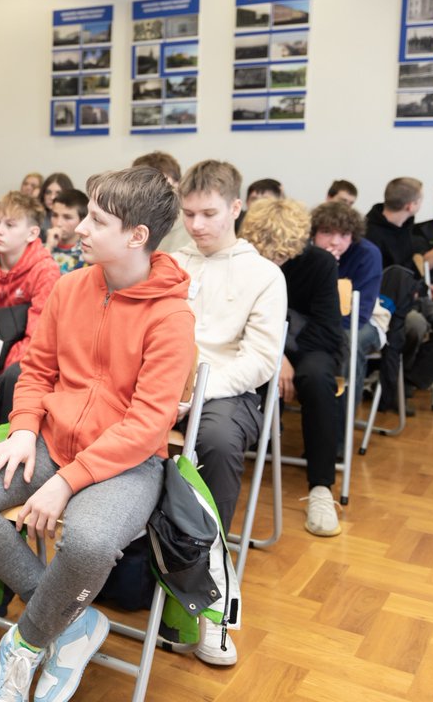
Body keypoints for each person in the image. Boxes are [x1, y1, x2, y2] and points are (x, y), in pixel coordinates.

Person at [0, 166, 195, 702]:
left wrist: (69, 481)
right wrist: (25, 430)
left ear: (136, 236)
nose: (79, 228)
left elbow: (149, 424)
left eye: (96, 220)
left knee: (89, 539)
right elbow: (36, 371)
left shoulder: (172, 318)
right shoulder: (71, 287)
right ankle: (72, 627)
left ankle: (26, 645)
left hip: (124, 464)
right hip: (50, 440)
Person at [171, 160, 285, 664]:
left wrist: (199, 394)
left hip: (225, 393)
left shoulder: (264, 274)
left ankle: (211, 600)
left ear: (236, 208)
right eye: (189, 213)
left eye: (210, 213)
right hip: (164, 384)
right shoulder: (172, 262)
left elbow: (259, 361)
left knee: (214, 443)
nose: (198, 225)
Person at [241, 199, 344, 537]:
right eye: (268, 257)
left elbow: (327, 329)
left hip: (310, 346)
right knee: (250, 375)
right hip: (262, 346)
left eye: (282, 258)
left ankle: (321, 488)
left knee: (316, 379)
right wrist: (275, 356)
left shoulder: (320, 263)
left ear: (298, 246)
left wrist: (282, 352)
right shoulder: (245, 261)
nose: (274, 263)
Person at [364, 178, 433, 410]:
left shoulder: (407, 226)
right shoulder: (370, 232)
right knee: (415, 325)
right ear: (411, 205)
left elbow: (410, 269)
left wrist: (421, 286)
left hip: (414, 297)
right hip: (388, 304)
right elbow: (375, 282)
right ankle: (388, 382)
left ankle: (406, 381)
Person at [0, 192, 61, 422]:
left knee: (15, 376)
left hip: (18, 355)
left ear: (32, 233)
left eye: (10, 225)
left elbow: (37, 333)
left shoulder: (45, 270)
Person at [312, 201, 384, 387]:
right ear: (314, 233)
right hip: (314, 318)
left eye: (344, 235)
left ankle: (343, 412)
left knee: (348, 341)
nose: (335, 241)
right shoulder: (304, 252)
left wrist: (330, 269)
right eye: (327, 232)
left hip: (360, 320)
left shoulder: (367, 254)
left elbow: (359, 314)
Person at [135, 151, 192, 253]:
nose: (157, 197)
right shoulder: (123, 224)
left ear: (178, 185)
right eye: (147, 189)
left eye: (165, 187)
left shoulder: (193, 224)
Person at [45, 189, 88, 274]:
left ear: (82, 221)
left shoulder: (88, 253)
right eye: (55, 215)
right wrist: (48, 247)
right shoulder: (41, 249)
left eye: (67, 217)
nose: (58, 223)